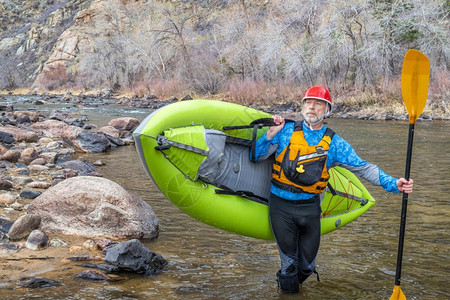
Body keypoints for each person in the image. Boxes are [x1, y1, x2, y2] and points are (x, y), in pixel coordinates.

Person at [251, 86, 414, 293]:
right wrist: (268, 136)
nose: (311, 106)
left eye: (318, 103)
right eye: (308, 102)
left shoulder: (335, 144)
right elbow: (256, 155)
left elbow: (363, 168)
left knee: (307, 268)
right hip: (281, 207)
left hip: (309, 209)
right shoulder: (285, 131)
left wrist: (394, 183)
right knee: (289, 266)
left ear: (327, 110)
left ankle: (287, 288)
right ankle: (287, 291)